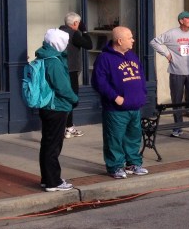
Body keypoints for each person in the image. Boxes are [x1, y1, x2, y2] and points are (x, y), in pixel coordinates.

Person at [91, 26, 149, 179]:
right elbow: (99, 82)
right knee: (114, 139)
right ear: (120, 40)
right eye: (130, 38)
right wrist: (115, 97)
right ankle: (115, 166)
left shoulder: (132, 56)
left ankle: (133, 163)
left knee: (133, 137)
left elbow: (141, 75)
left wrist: (142, 93)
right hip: (116, 109)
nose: (133, 40)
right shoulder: (105, 58)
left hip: (134, 106)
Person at [151, 11, 189, 137]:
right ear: (181, 21)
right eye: (188, 18)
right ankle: (178, 127)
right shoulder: (172, 33)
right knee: (177, 100)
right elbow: (154, 42)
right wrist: (167, 54)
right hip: (176, 72)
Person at [34, 28, 78, 191]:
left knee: (47, 143)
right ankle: (53, 181)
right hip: (56, 107)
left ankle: (47, 179)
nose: (66, 45)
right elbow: (62, 87)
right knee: (53, 145)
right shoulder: (54, 61)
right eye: (65, 42)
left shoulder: (44, 56)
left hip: (47, 106)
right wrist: (74, 99)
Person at [59, 12, 93, 138]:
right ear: (75, 23)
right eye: (78, 23)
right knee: (72, 98)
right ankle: (67, 127)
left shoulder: (59, 32)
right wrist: (84, 31)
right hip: (71, 70)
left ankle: (66, 126)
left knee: (63, 97)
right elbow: (89, 45)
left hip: (60, 69)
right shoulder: (74, 34)